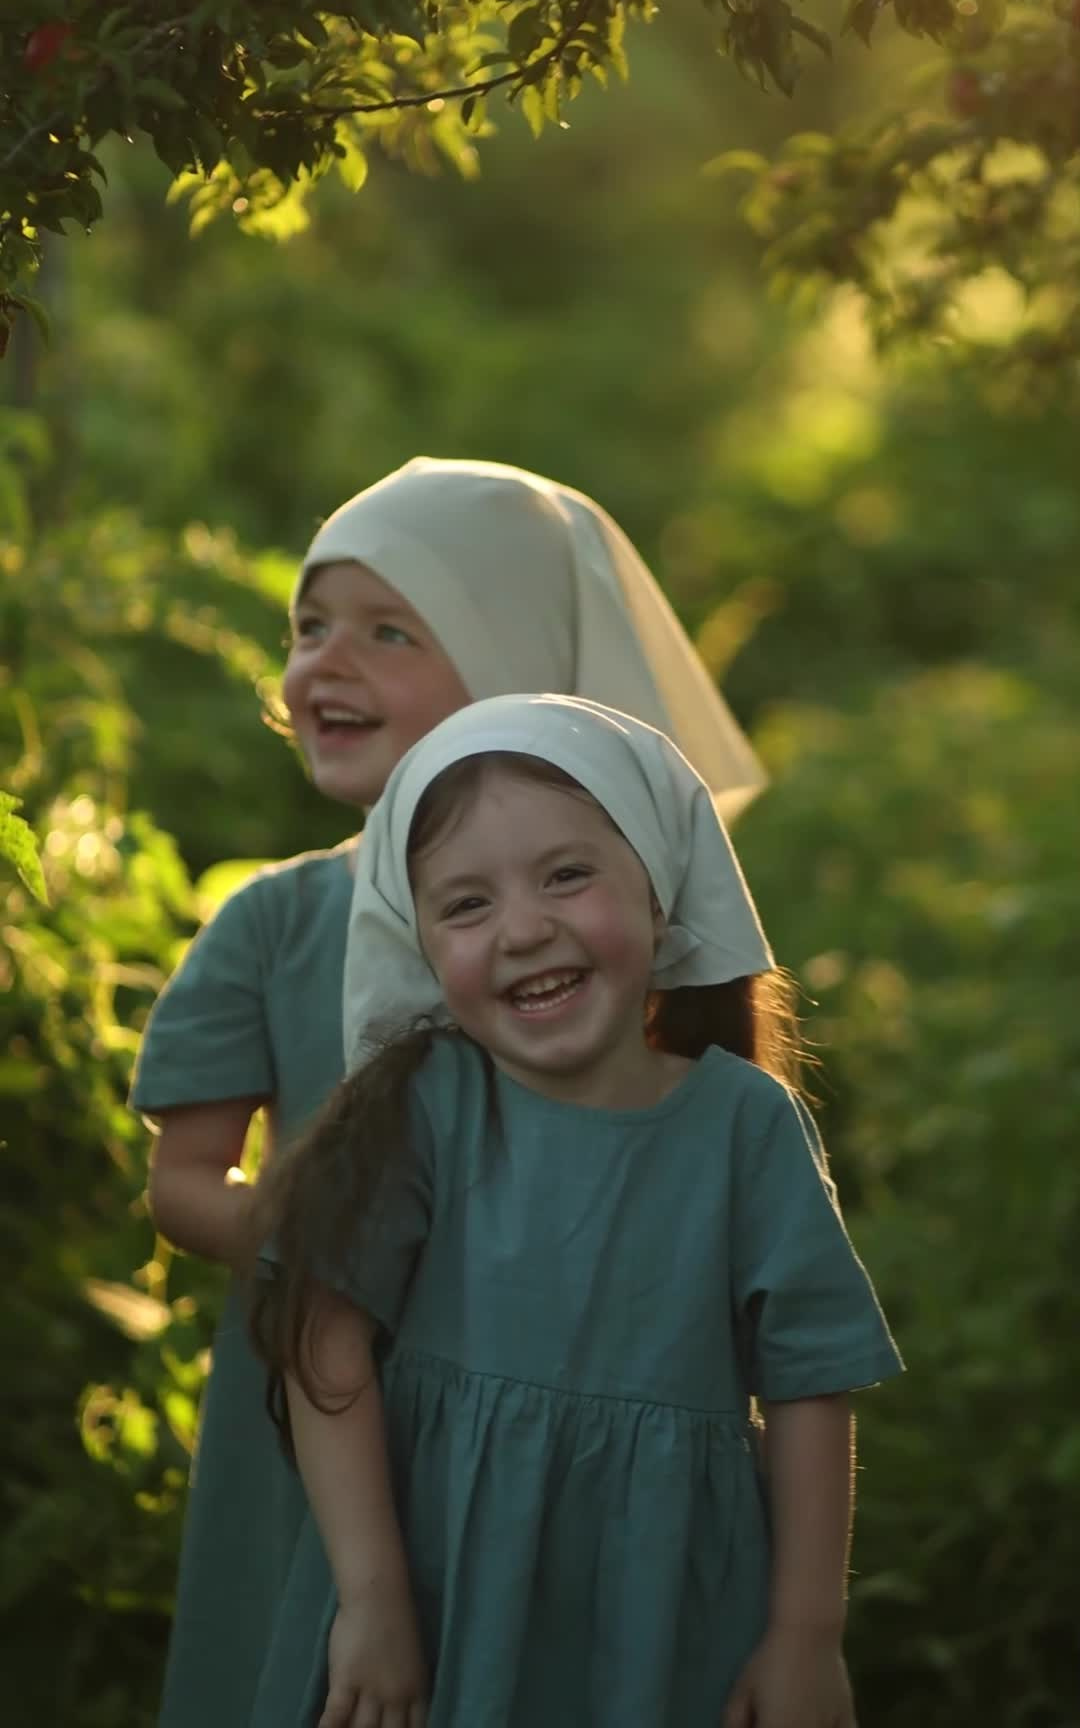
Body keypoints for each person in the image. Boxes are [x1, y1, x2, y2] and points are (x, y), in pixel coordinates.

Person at [130, 457, 768, 1728]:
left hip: (565, 1413)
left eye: (388, 629)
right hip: (321, 1412)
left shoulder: (608, 937)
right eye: (308, 629)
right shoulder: (275, 922)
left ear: (520, 665)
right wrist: (338, 1253)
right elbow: (181, 1182)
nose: (325, 663)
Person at [250, 694, 903, 1728]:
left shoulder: (744, 1126)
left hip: (661, 1622)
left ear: (658, 892)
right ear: (418, 942)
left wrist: (804, 1637)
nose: (523, 928)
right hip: (433, 1595)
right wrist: (371, 1600)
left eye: (566, 875)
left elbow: (810, 1386)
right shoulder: (427, 1107)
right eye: (466, 905)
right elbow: (322, 1343)